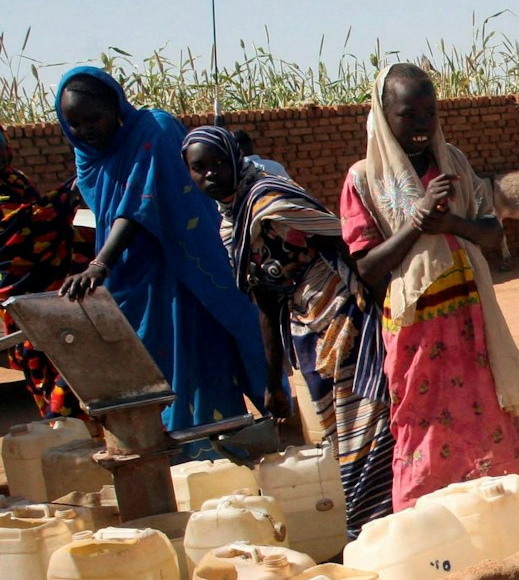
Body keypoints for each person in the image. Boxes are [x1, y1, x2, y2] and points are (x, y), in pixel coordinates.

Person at [340, 63, 519, 510]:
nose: (421, 125)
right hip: (418, 331)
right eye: (407, 114)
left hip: (472, 316)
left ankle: (506, 512)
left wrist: (451, 221)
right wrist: (417, 221)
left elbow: (492, 235)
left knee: (491, 412)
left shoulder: (453, 162)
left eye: (429, 113)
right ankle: (428, 526)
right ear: (383, 114)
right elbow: (368, 268)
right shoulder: (363, 179)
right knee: (423, 425)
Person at [182, 126, 393, 536]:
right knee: (339, 432)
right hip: (306, 330)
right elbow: (265, 300)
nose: (210, 175)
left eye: (218, 163)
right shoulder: (231, 224)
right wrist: (273, 382)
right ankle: (370, 526)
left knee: (367, 423)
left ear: (235, 159)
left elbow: (344, 235)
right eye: (198, 169)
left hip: (343, 317)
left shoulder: (270, 199)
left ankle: (375, 524)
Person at [54, 68, 268, 447]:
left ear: (116, 107)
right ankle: (172, 459)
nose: (85, 130)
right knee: (147, 370)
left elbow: (138, 204)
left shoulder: (154, 130)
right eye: (74, 123)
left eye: (93, 119)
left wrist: (99, 263)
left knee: (196, 358)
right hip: (129, 280)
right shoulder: (87, 156)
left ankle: (215, 454)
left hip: (179, 271)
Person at [0, 121, 92, 417]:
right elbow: (24, 229)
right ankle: (62, 434)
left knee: (77, 363)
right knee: (44, 363)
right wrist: (68, 195)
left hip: (53, 290)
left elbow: (41, 224)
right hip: (20, 295)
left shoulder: (16, 180)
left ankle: (73, 435)